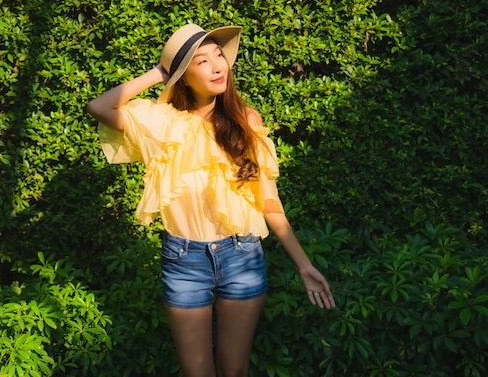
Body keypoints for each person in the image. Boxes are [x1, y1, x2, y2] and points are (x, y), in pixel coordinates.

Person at [87, 23, 336, 377]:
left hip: (242, 257)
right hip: (184, 261)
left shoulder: (246, 120)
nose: (218, 66)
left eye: (219, 55)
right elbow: (99, 106)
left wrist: (304, 265)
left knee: (235, 371)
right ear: (183, 76)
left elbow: (269, 203)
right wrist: (159, 73)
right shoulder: (162, 124)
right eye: (201, 60)